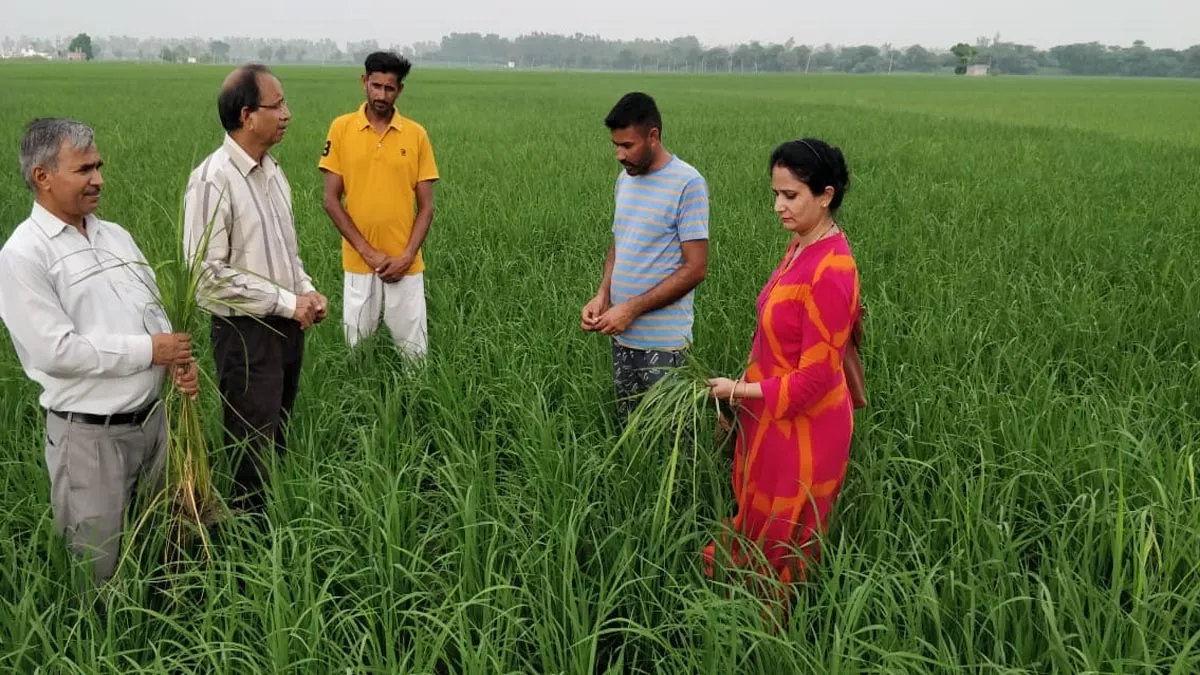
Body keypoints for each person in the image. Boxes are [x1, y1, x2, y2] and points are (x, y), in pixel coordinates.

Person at [0, 118, 199, 586]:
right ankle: (105, 652)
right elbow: (55, 351)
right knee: (99, 573)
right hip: (90, 440)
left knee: (162, 549)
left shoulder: (114, 236)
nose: (99, 179)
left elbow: (152, 311)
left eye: (99, 166)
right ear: (42, 177)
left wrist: (175, 364)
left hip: (154, 424)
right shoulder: (23, 255)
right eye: (85, 169)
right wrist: (151, 351)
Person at [703, 138, 861, 597]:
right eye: (775, 193)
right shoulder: (800, 246)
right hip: (771, 417)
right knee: (753, 531)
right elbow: (774, 340)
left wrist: (736, 392)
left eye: (790, 195)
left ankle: (769, 645)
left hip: (806, 431)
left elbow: (814, 378)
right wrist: (739, 404)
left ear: (826, 194)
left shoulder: (832, 269)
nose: (778, 205)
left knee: (780, 551)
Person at [183, 64, 327, 512]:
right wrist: (288, 302)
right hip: (245, 336)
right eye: (277, 105)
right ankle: (249, 553)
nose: (287, 114)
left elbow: (286, 252)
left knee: (277, 438)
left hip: (286, 327)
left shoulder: (272, 172)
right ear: (247, 115)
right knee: (252, 453)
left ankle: (274, 539)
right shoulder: (213, 179)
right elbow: (206, 276)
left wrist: (306, 291)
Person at [581, 92, 709, 424]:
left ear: (653, 136)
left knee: (669, 436)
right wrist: (603, 295)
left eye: (627, 145)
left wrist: (632, 308)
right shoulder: (625, 180)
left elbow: (695, 268)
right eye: (615, 145)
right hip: (621, 335)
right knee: (631, 428)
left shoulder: (688, 183)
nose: (619, 155)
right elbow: (619, 243)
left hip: (662, 345)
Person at [319, 50, 439, 356]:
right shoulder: (342, 129)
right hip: (359, 263)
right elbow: (331, 200)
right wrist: (368, 252)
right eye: (376, 86)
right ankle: (362, 403)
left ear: (400, 90)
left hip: (406, 265)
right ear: (364, 82)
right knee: (357, 348)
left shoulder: (416, 135)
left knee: (414, 352)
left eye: (389, 88)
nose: (381, 95)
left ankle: (415, 403)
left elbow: (426, 206)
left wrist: (407, 256)